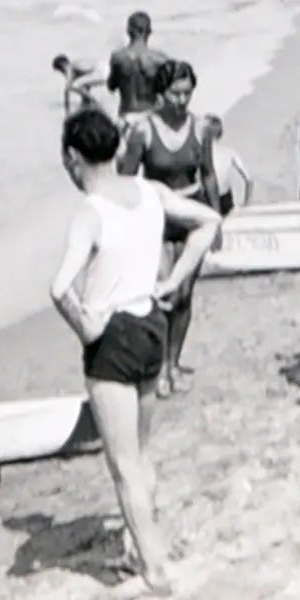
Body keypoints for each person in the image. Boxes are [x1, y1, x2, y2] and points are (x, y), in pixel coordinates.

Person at [50, 107, 222, 596]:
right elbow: (207, 220)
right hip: (151, 323)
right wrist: (175, 277)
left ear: (74, 157)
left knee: (123, 466)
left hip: (114, 337)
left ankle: (155, 568)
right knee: (141, 454)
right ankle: (137, 546)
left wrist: (86, 328)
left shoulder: (90, 212)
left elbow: (60, 287)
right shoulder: (149, 192)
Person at [117, 60, 220, 396]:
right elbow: (127, 180)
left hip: (192, 214)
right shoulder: (143, 131)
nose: (181, 100)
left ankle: (174, 363)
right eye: (175, 93)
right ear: (161, 93)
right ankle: (159, 367)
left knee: (185, 296)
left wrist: (216, 221)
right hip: (157, 217)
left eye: (187, 93)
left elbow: (207, 174)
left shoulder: (201, 127)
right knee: (162, 295)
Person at [107, 12, 169, 122]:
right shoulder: (160, 59)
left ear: (128, 31)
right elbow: (168, 93)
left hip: (126, 115)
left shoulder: (117, 57)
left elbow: (111, 86)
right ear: (150, 31)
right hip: (151, 117)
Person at [200, 115, 249, 215]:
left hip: (208, 199)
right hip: (224, 198)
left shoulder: (198, 153)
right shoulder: (229, 152)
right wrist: (246, 203)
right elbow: (248, 179)